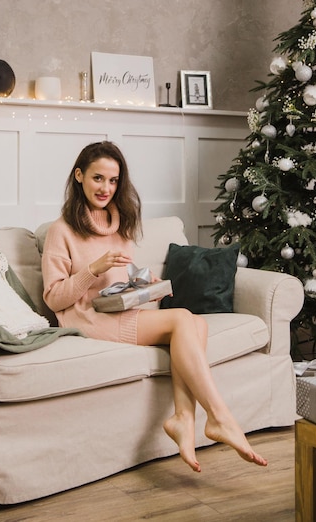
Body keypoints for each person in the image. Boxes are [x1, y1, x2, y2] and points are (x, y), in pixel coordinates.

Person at [42, 141, 267, 473]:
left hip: (122, 308)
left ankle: (183, 419)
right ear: (79, 176)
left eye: (113, 180)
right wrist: (92, 269)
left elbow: (124, 275)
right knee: (182, 320)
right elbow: (54, 298)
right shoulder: (61, 230)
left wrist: (148, 281)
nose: (106, 188)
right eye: (97, 178)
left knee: (196, 324)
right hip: (89, 318)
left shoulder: (120, 220)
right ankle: (220, 417)